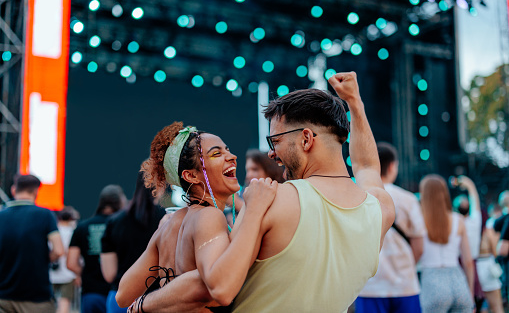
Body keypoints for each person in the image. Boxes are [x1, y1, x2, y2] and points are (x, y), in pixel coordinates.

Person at [121, 71, 395, 313]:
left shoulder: (272, 200)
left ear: (306, 139)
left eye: (275, 141)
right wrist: (355, 104)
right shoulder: (380, 209)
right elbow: (368, 165)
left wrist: (143, 306)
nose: (271, 153)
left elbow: (215, 286)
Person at [115, 122, 277, 311]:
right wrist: (253, 210)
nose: (232, 157)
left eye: (228, 150)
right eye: (217, 153)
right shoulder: (209, 216)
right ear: (191, 176)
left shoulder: (169, 224)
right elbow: (219, 290)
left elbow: (123, 294)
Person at [356, 142, 425, 313]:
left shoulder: (358, 198)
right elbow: (419, 246)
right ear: (393, 166)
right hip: (405, 286)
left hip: (369, 287)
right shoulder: (408, 199)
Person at [100, 171, 166, 313]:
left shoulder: (114, 221)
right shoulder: (167, 220)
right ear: (160, 187)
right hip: (157, 300)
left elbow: (109, 274)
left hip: (121, 299)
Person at [0, 174, 64, 313]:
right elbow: (59, 250)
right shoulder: (45, 215)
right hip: (36, 297)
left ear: (13, 190)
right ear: (36, 191)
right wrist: (42, 259)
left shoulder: (1, 215)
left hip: (3, 296)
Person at [418, 174, 474, 313]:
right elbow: (468, 261)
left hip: (432, 280)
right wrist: (470, 293)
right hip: (458, 280)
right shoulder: (458, 220)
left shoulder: (419, 221)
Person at [67, 185, 125, 313]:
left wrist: (85, 273)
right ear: (120, 202)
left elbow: (71, 263)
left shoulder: (82, 227)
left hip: (91, 293)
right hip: (119, 293)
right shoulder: (123, 226)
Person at [452, 175, 484, 310]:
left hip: (458, 268)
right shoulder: (474, 222)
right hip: (475, 268)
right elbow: (474, 196)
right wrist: (467, 183)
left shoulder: (453, 225)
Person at [50, 206, 80, 313]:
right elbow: (77, 257)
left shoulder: (52, 231)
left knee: (50, 303)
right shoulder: (74, 232)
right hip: (69, 273)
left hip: (51, 274)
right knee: (64, 302)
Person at [477, 209, 504, 313]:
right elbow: (495, 250)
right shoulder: (488, 230)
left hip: (473, 267)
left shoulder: (466, 227)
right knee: (497, 306)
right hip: (487, 266)